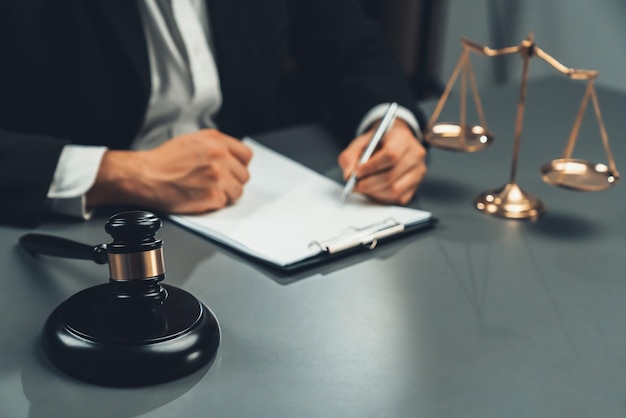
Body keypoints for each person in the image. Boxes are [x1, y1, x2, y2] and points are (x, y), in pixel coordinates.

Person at [0, 0, 428, 227]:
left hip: (249, 215)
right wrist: (116, 174)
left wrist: (388, 125)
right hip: (70, 234)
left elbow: (352, 50)